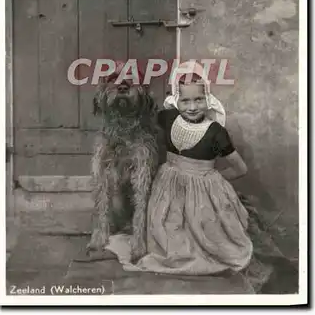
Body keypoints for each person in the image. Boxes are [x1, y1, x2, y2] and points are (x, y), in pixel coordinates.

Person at [106, 61, 254, 275]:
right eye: (185, 101)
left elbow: (240, 168)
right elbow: (139, 122)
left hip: (202, 195)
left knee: (207, 231)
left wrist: (213, 182)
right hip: (168, 189)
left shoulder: (215, 132)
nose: (192, 107)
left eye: (199, 100)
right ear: (176, 99)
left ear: (208, 99)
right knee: (166, 228)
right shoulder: (168, 118)